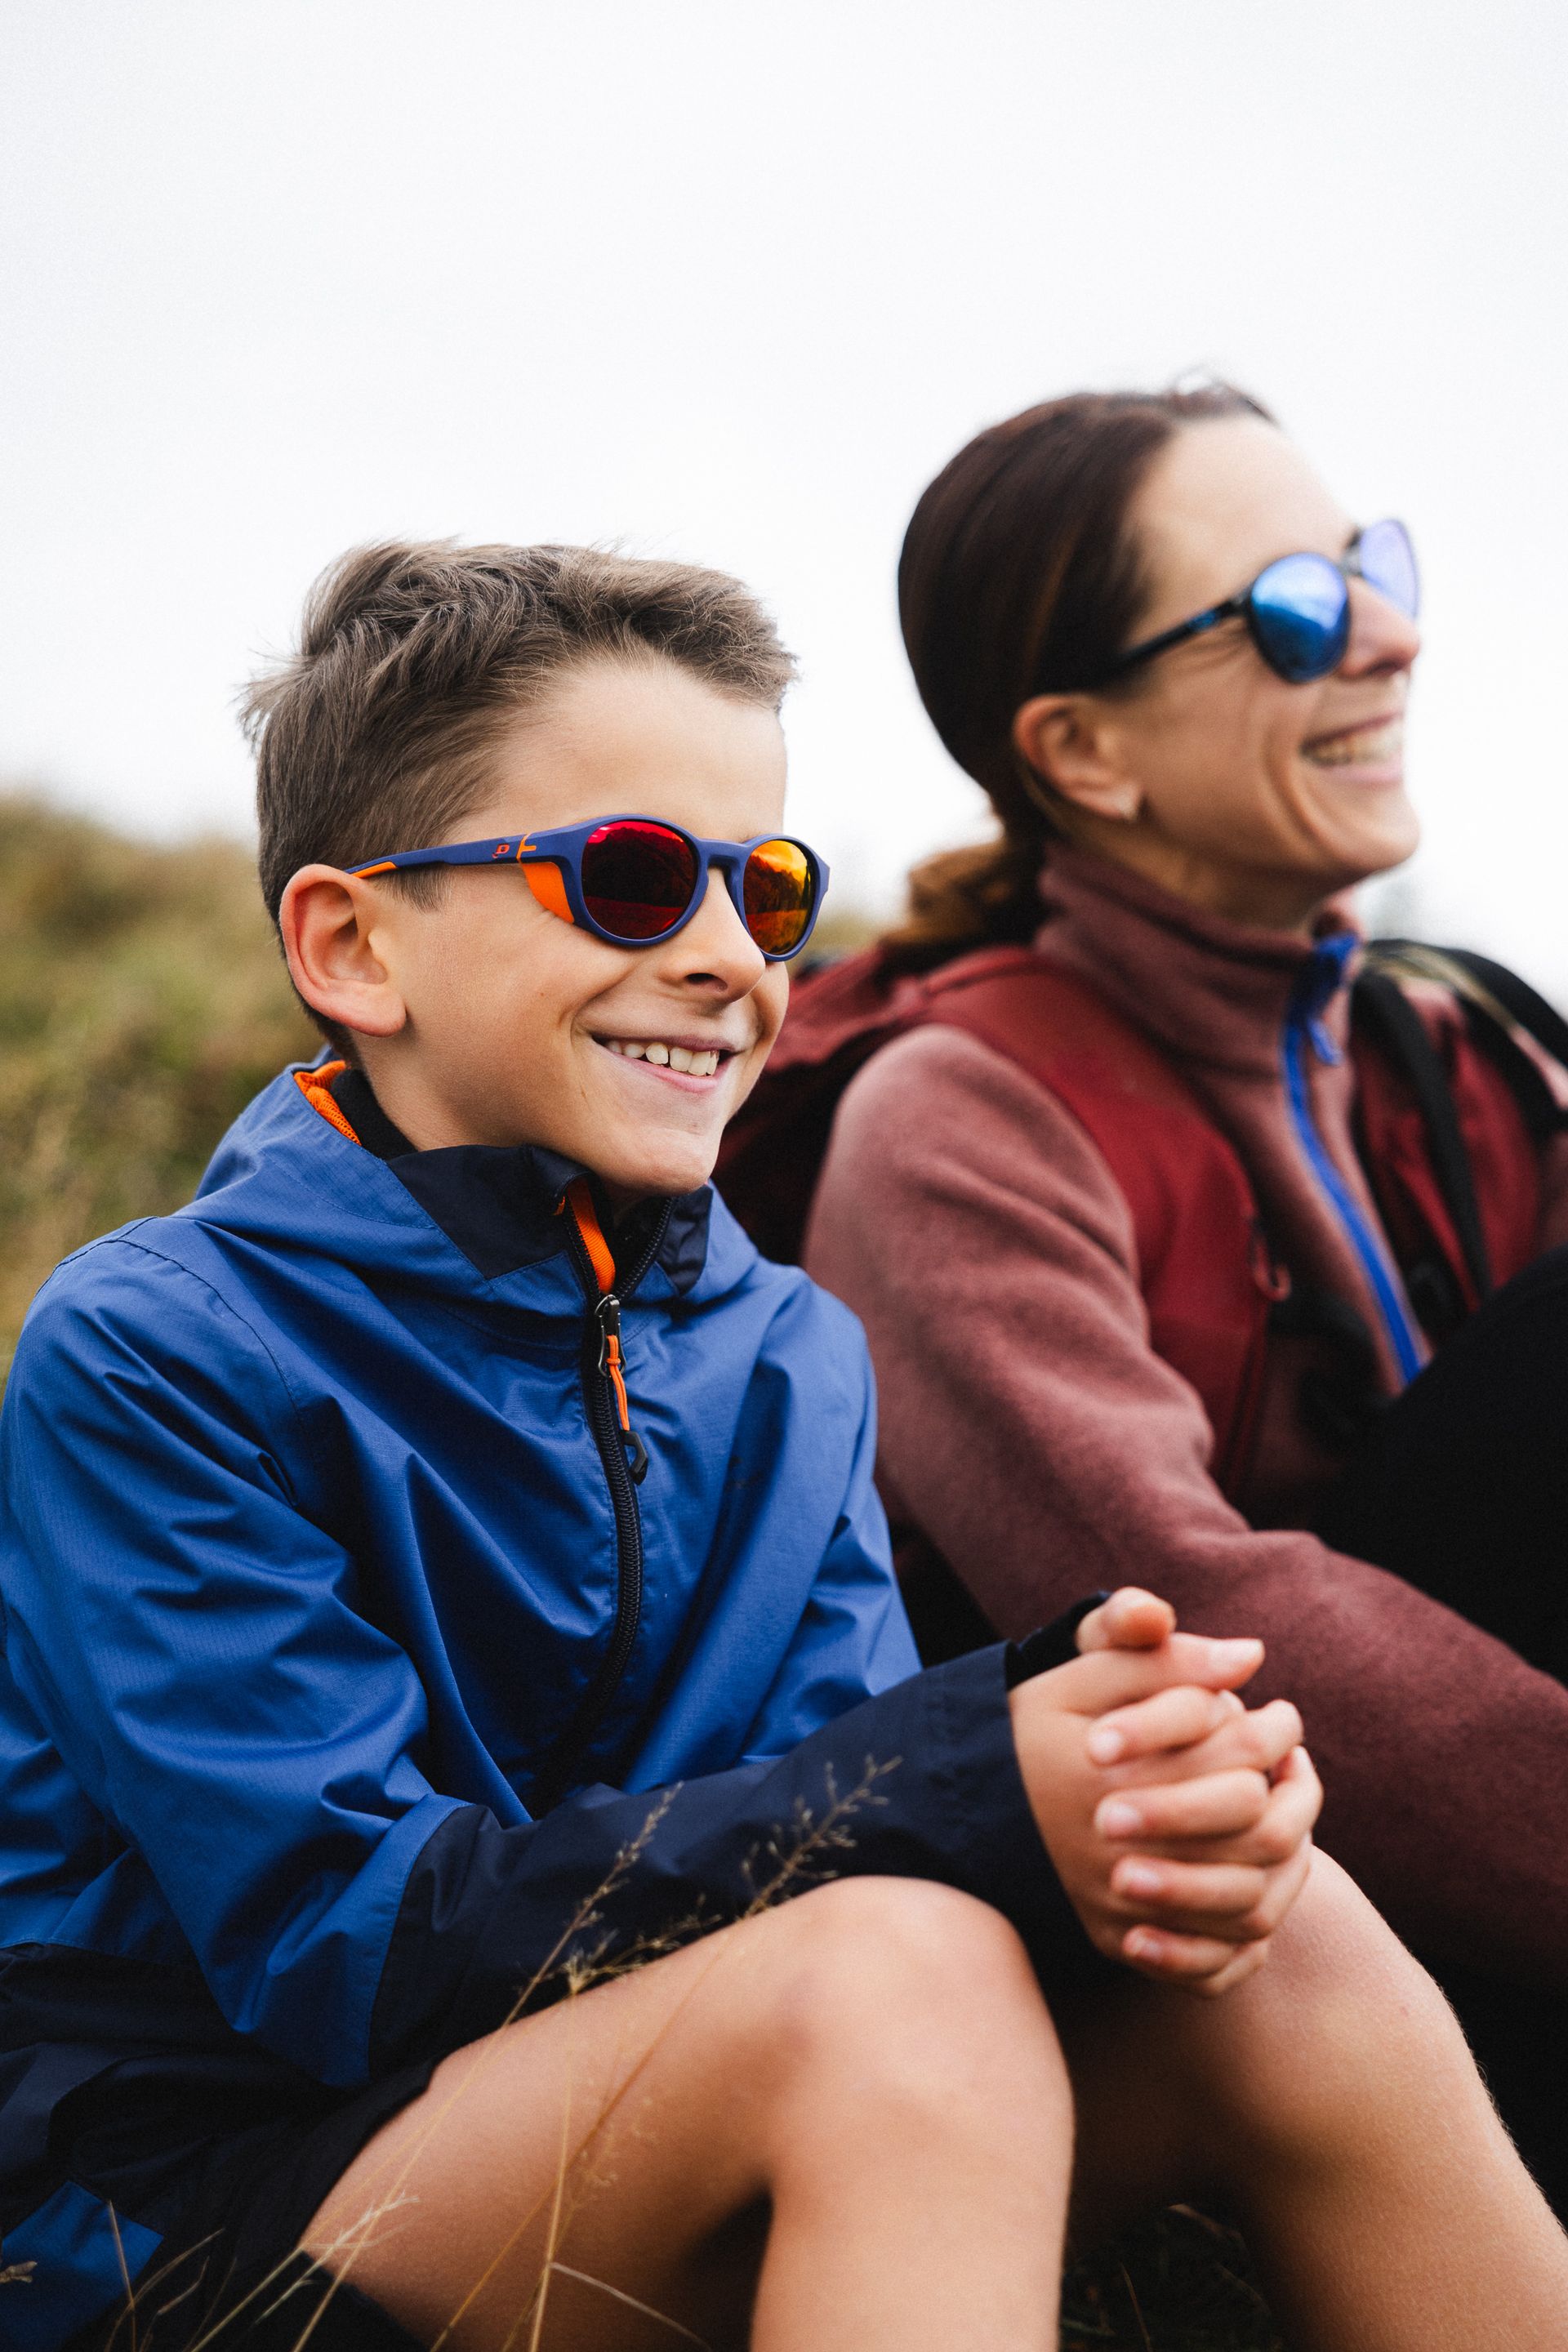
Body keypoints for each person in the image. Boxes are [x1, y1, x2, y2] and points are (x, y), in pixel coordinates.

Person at [2, 542, 1564, 2352]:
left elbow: (839, 1820)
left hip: (677, 2107)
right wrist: (965, 1781)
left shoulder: (788, 1347)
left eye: (768, 888)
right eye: (634, 879)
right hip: (198, 2212)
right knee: (891, 1978)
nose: (733, 958)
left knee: (1275, 1921)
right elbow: (344, 1945)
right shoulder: (154, 1346)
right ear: (353, 945)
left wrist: (1112, 1784)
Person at [785, 385, 1568, 2204]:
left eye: (1370, 564)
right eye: (1298, 605)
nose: (1393, 629)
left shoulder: (1460, 1049)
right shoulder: (958, 1114)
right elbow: (1185, 1623)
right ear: (1086, 751)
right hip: (1234, 1940)